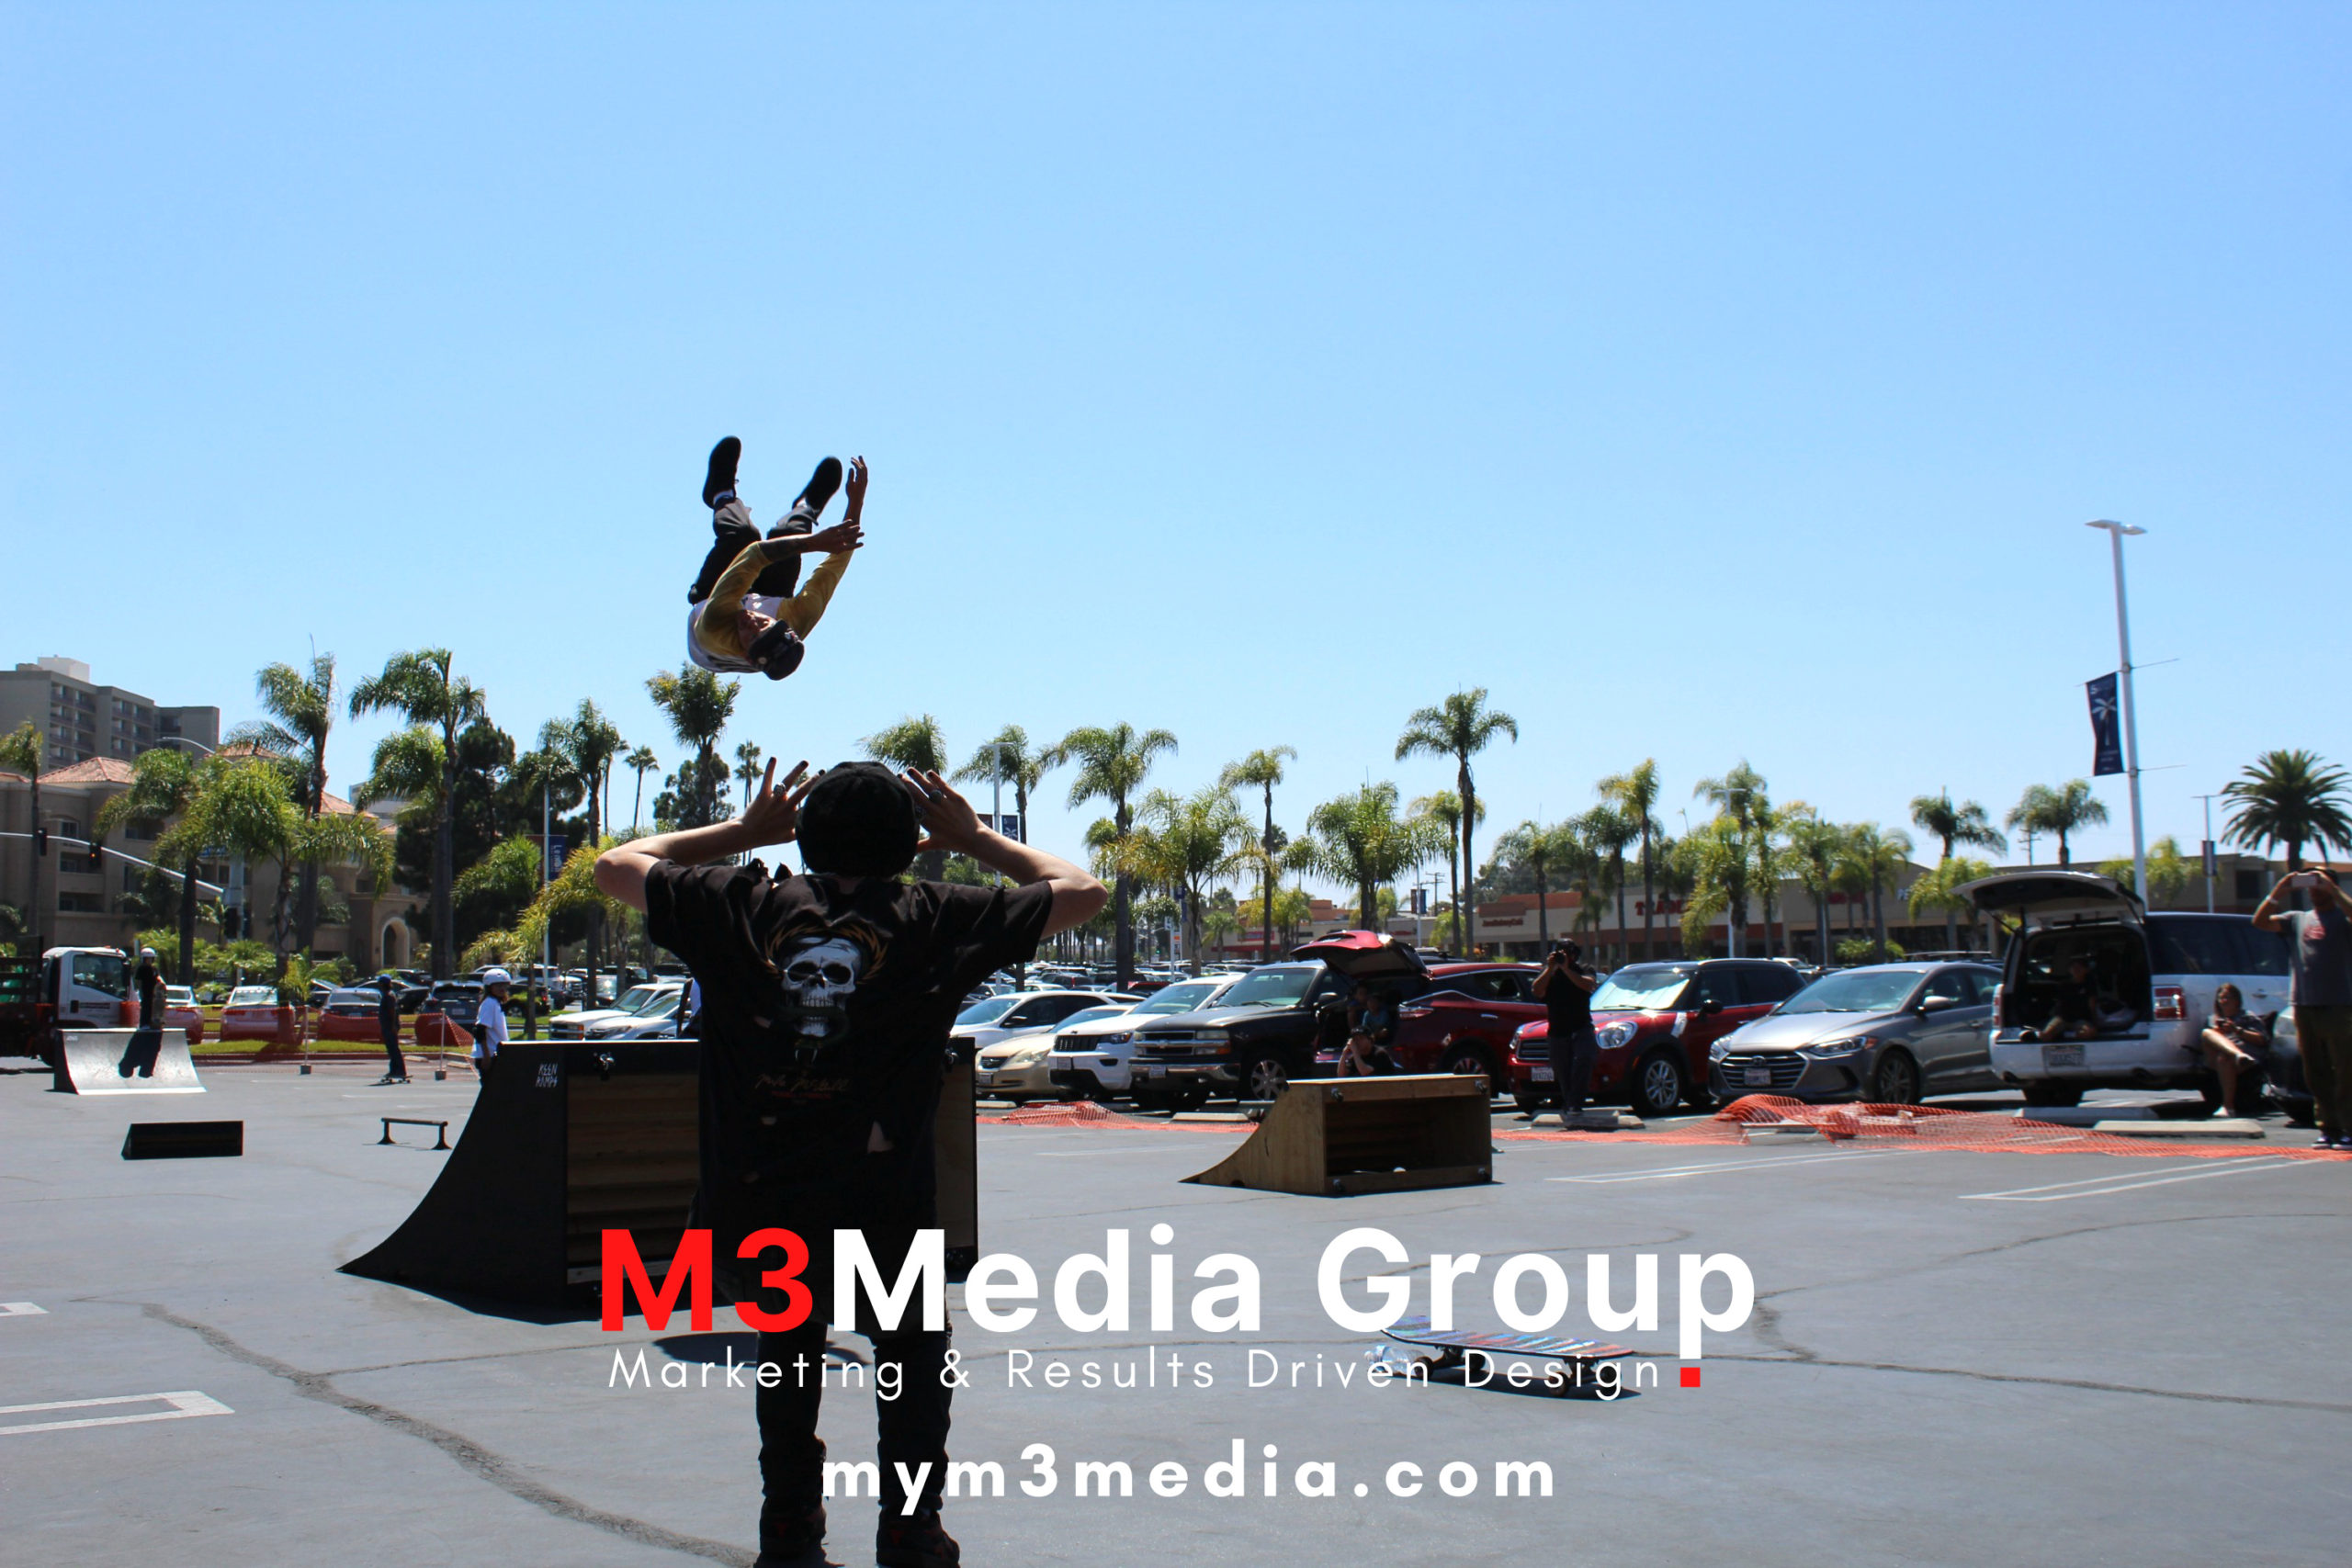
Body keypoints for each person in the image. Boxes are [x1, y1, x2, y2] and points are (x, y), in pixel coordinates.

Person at [595, 756, 1106, 1568]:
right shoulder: (933, 915)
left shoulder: (739, 903)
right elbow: (1082, 890)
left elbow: (616, 864)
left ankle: (789, 1522)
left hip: (760, 1194)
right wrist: (975, 838)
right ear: (906, 847)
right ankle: (910, 1526)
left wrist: (742, 831)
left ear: (803, 839)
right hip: (881, 1198)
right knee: (911, 1356)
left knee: (787, 1350)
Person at [687, 437, 869, 680]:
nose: (750, 623)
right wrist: (856, 503)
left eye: (750, 636)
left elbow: (753, 555)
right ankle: (805, 508)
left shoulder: (715, 629)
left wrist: (814, 543)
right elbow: (836, 565)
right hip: (771, 599)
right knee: (789, 537)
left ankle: (720, 493)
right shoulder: (800, 615)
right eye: (762, 624)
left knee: (742, 537)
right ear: (780, 624)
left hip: (711, 602)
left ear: (747, 655)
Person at [2253, 868, 2352, 1148]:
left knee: (2345, 1070)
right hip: (2304, 1004)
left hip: (2339, 1004)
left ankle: (2349, 1127)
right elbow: (2259, 921)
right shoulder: (2297, 919)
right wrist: (2280, 890)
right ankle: (2328, 1128)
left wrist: (2334, 890)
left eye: (2318, 883)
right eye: (2310, 883)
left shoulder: (2343, 917)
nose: (2313, 888)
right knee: (2315, 1072)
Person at [1532, 939, 1600, 1119]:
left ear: (1574, 955)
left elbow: (1588, 984)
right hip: (1558, 1030)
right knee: (1562, 1070)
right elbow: (1537, 990)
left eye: (1567, 953)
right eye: (1560, 953)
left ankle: (1574, 1103)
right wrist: (1550, 968)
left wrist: (1567, 969)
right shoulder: (1549, 973)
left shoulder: (1584, 969)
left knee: (1584, 1058)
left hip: (1581, 1027)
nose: (1564, 956)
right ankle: (1570, 1103)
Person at [2197, 981, 2265, 1118]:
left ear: (2237, 1001)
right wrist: (2218, 1031)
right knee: (2207, 1033)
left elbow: (2262, 1040)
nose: (2224, 1001)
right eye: (2221, 998)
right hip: (2218, 1057)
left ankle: (2228, 1107)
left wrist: (2237, 1030)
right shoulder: (2212, 1020)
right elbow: (2204, 1044)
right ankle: (2237, 1055)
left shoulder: (2247, 1017)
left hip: (2244, 1060)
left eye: (2228, 998)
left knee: (2224, 1058)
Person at [1335, 980, 1399, 1077]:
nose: (1358, 1042)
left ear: (1370, 1040)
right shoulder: (1355, 1057)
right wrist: (1344, 1053)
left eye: (1361, 1038)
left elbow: (1365, 1072)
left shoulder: (1380, 1054)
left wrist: (1355, 1053)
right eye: (1356, 1039)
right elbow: (1341, 1075)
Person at [471, 969, 512, 1082]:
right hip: (490, 1055)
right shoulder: (489, 1003)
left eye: (504, 985)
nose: (502, 988)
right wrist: (486, 1056)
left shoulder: (496, 1003)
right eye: (498, 985)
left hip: (496, 1053)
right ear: (490, 987)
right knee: (491, 1089)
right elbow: (480, 1030)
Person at [373, 975, 408, 1085]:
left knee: (394, 1048)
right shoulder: (387, 995)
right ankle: (394, 1070)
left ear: (383, 984)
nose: (379, 985)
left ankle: (400, 1070)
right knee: (391, 1049)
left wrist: (393, 1026)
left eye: (380, 983)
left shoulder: (389, 996)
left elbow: (392, 1011)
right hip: (387, 1026)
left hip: (390, 1026)